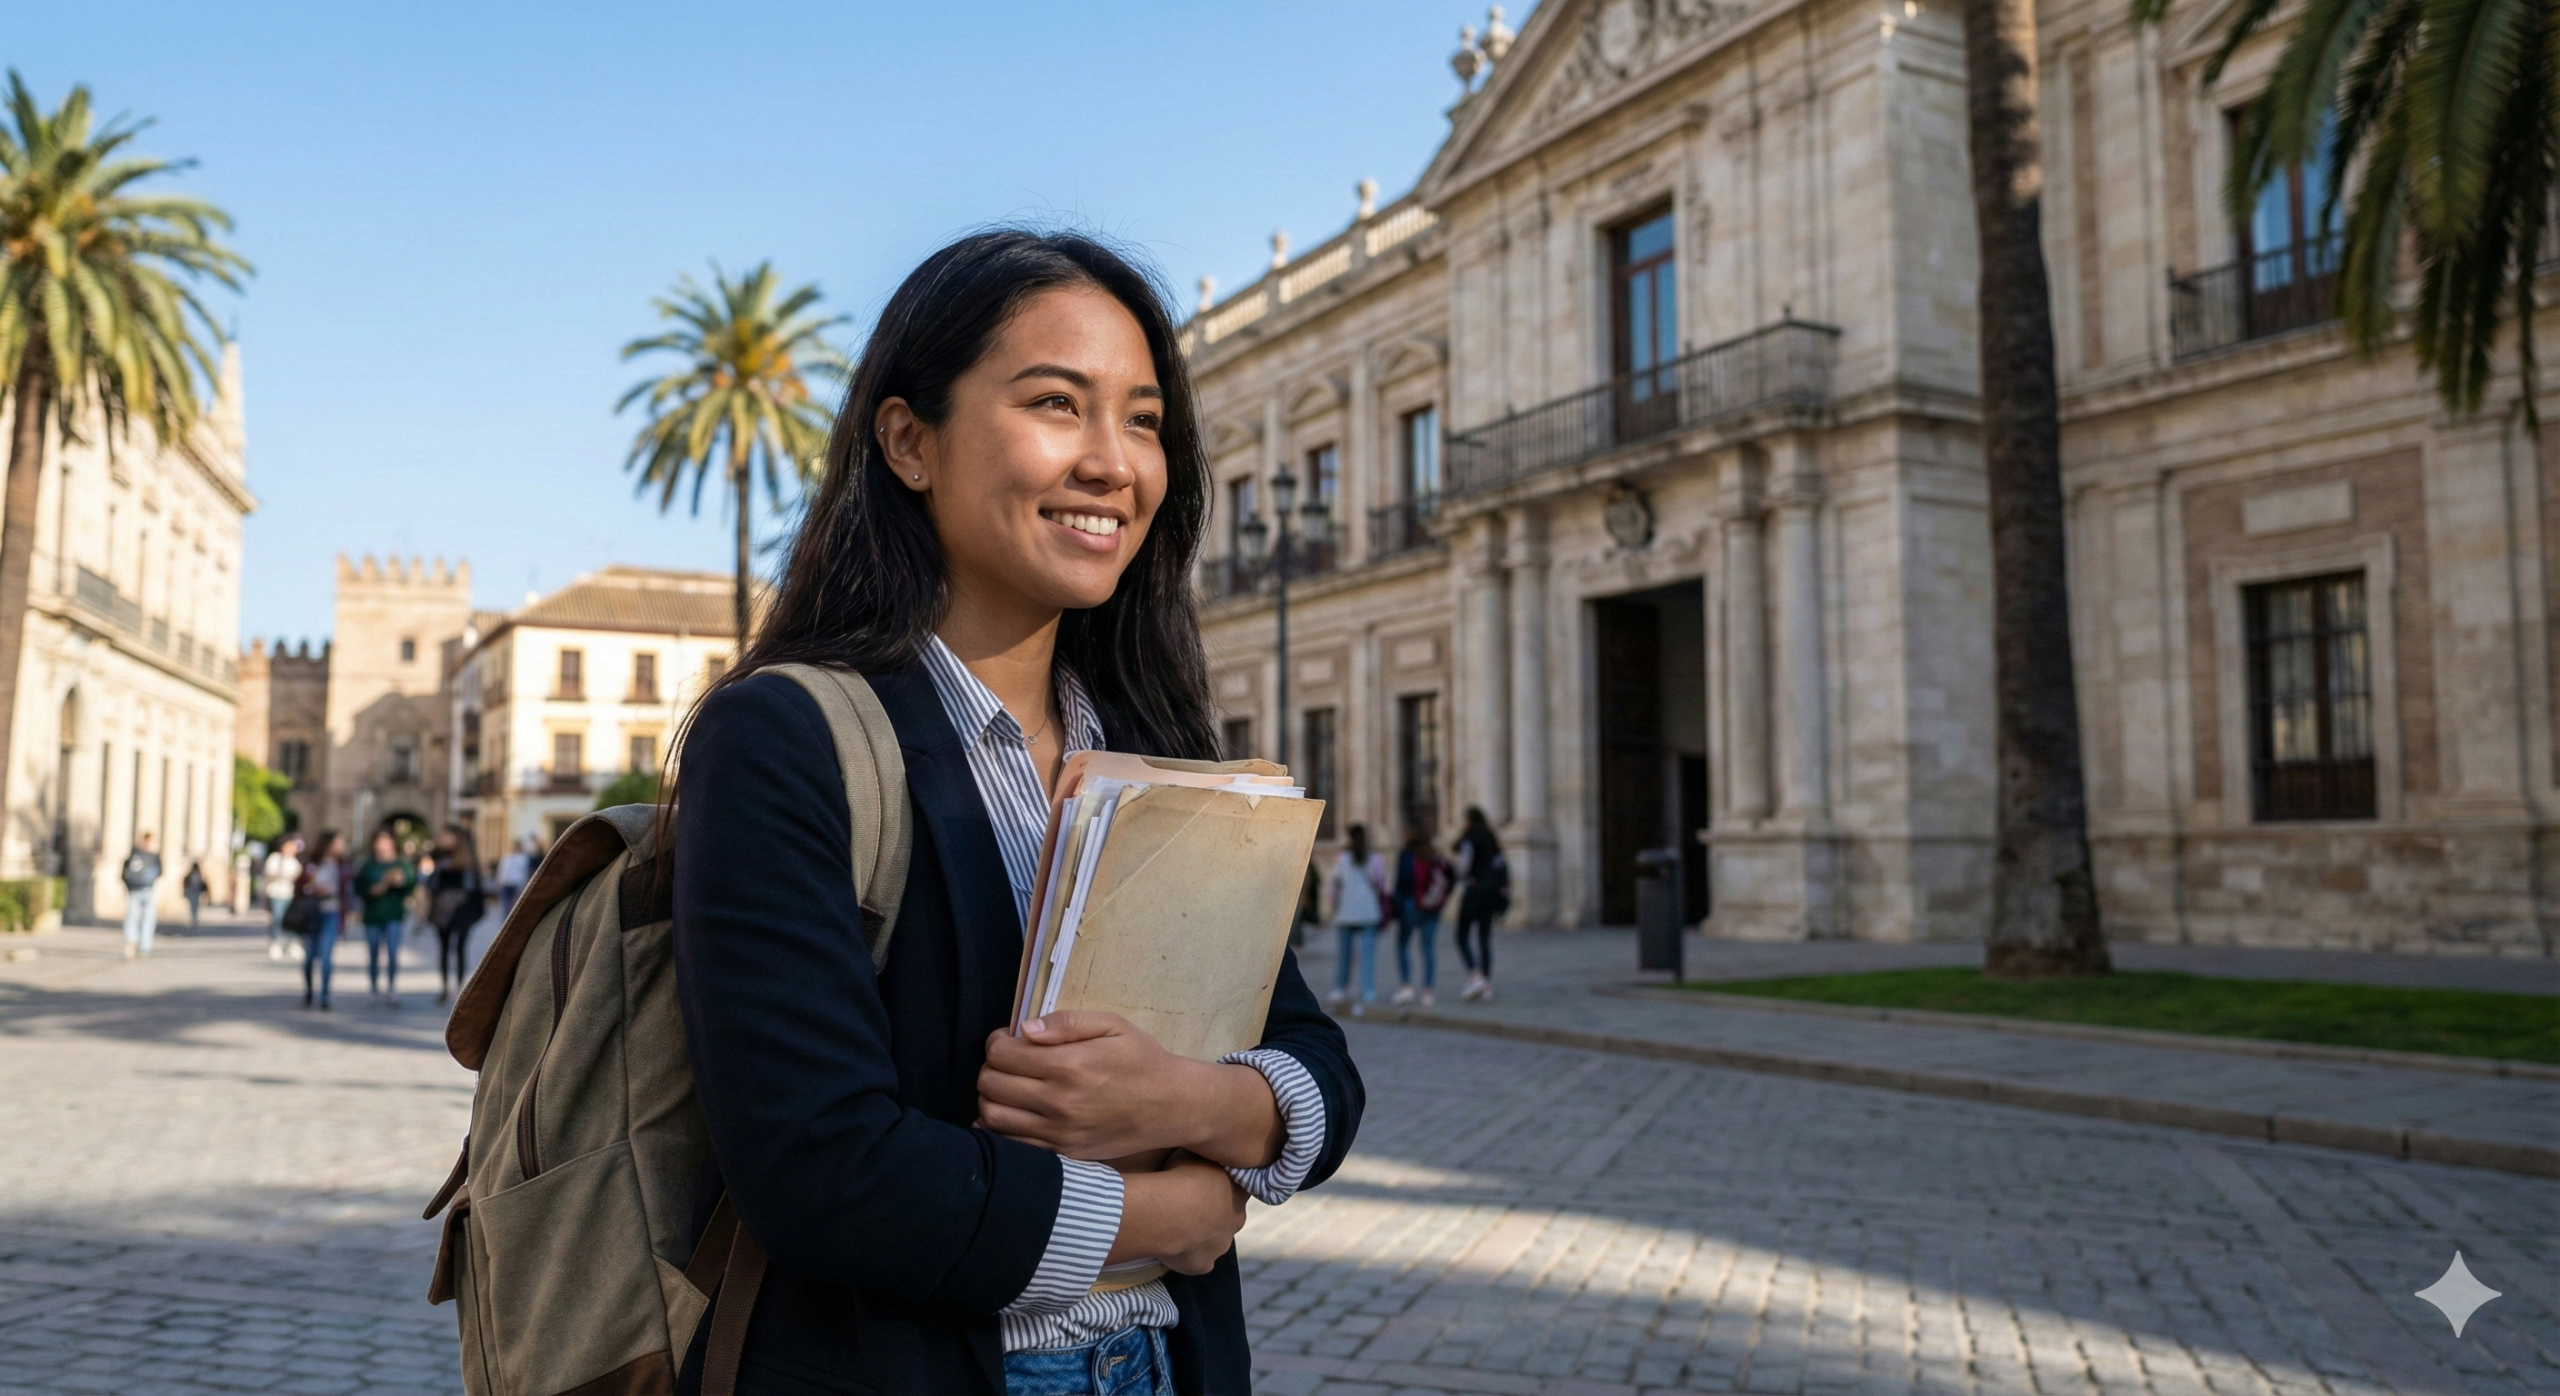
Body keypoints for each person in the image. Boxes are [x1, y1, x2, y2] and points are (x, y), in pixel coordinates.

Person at [670, 230, 1360, 1396]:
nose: (1113, 463)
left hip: (1161, 1366)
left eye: (1142, 420)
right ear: (908, 441)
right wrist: (1164, 1210)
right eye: (1057, 405)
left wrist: (1190, 1098)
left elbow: (1316, 1060)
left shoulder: (1159, 757)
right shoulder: (786, 739)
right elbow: (820, 1163)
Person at [1322, 824, 1389, 1016]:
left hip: (1347, 912)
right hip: (1369, 912)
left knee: (1344, 955)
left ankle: (1340, 988)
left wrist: (1332, 907)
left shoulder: (1342, 858)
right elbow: (1382, 884)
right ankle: (1368, 990)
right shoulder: (1375, 858)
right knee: (1367, 955)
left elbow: (1335, 886)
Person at [1388, 826, 1453, 1009]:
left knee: (1402, 945)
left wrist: (1395, 908)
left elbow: (1401, 881)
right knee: (1428, 948)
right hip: (1432, 909)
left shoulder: (1407, 854)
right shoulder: (1434, 855)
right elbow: (1450, 876)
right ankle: (1427, 992)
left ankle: (1407, 987)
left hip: (1411, 906)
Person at [1450, 807, 1508, 1002]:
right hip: (1490, 894)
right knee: (1484, 937)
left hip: (1474, 892)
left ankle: (1476, 975)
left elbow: (1462, 868)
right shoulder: (1491, 839)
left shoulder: (1469, 839)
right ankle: (1485, 983)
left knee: (1461, 935)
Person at [423, 823, 485, 1004]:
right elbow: (431, 882)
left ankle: (458, 987)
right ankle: (443, 987)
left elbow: (476, 887)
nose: (444, 839)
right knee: (443, 948)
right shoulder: (438, 856)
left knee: (460, 948)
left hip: (462, 909)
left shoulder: (468, 859)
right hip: (442, 909)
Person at [355, 829, 414, 1008]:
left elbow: (411, 884)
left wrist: (401, 883)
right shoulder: (369, 865)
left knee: (392, 952)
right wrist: (375, 889)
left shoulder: (400, 864)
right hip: (373, 915)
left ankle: (391, 988)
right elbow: (359, 888)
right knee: (373, 952)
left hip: (393, 914)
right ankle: (373, 988)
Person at [299, 831, 348, 1010]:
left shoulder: (342, 865)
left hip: (331, 912)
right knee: (309, 957)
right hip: (313, 912)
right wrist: (312, 888)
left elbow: (347, 892)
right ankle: (309, 992)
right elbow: (300, 885)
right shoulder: (312, 863)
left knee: (326, 957)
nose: (342, 846)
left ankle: (325, 995)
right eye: (339, 842)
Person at [119, 832, 163, 959]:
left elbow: (124, 873)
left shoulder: (134, 854)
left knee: (132, 917)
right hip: (148, 889)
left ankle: (131, 939)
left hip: (133, 889)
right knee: (148, 918)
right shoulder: (154, 856)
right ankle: (144, 946)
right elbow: (160, 872)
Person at [262, 835, 305, 962]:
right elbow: (269, 873)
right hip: (277, 893)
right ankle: (275, 943)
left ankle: (291, 944)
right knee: (277, 918)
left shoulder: (295, 861)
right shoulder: (275, 858)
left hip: (291, 894)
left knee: (293, 921)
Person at [495, 836, 532, 919]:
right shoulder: (523, 858)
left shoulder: (508, 857)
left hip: (509, 882)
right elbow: (525, 872)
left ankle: (507, 920)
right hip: (515, 883)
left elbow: (502, 870)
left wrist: (500, 881)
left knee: (508, 904)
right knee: (513, 905)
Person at [181, 860, 208, 927]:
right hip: (193, 892)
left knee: (195, 906)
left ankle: (194, 918)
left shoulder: (197, 875)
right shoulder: (192, 875)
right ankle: (194, 918)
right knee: (193, 906)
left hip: (195, 892)